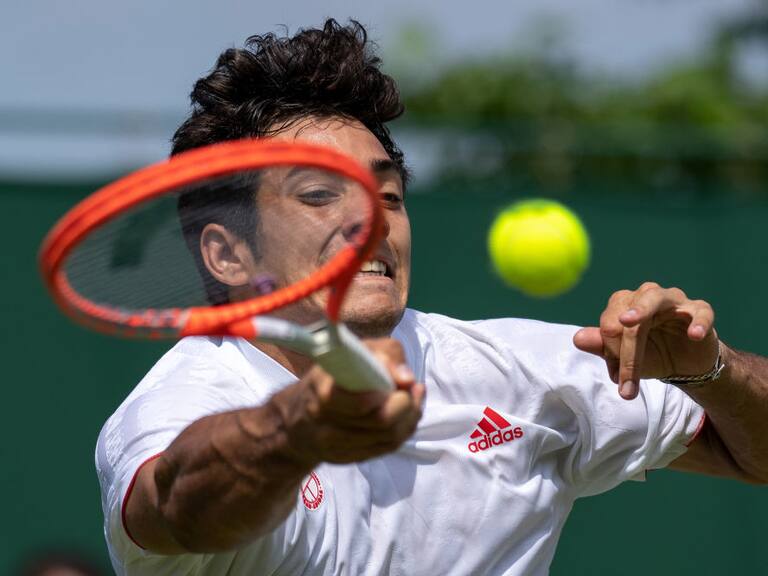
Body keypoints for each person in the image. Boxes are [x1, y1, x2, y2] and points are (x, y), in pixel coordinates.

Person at [96, 19, 768, 576]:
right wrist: (297, 428)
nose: (373, 224)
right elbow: (175, 504)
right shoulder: (184, 404)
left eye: (387, 196)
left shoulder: (519, 369)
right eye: (320, 195)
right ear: (228, 254)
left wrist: (715, 374)